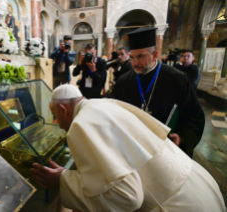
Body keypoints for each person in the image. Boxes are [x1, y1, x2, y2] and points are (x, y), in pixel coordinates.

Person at [30, 84, 225, 212]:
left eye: (55, 115)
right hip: (195, 184)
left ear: (64, 110)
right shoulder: (101, 104)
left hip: (177, 205)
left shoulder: (80, 124)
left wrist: (62, 180)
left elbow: (126, 197)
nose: (56, 122)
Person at [110, 27, 205, 158]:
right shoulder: (124, 81)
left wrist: (182, 136)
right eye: (132, 57)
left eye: (140, 57)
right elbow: (113, 113)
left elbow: (194, 116)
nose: (134, 63)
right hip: (133, 150)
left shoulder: (177, 79)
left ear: (155, 55)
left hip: (165, 151)